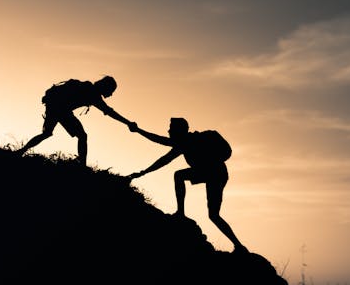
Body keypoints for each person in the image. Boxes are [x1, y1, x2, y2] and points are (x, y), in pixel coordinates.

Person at [127, 117, 249, 254]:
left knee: (212, 214)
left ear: (179, 130)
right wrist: (143, 172)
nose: (168, 131)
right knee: (213, 214)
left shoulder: (190, 141)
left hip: (216, 174)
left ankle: (238, 245)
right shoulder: (183, 144)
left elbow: (160, 141)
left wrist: (138, 130)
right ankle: (239, 246)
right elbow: (163, 159)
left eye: (171, 129)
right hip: (215, 173)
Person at [15, 75, 137, 165]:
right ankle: (82, 165)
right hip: (61, 109)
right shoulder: (93, 94)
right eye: (111, 91)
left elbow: (108, 111)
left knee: (47, 133)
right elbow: (110, 112)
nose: (110, 94)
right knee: (82, 136)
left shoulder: (89, 89)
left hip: (54, 106)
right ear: (105, 87)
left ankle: (21, 151)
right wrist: (128, 123)